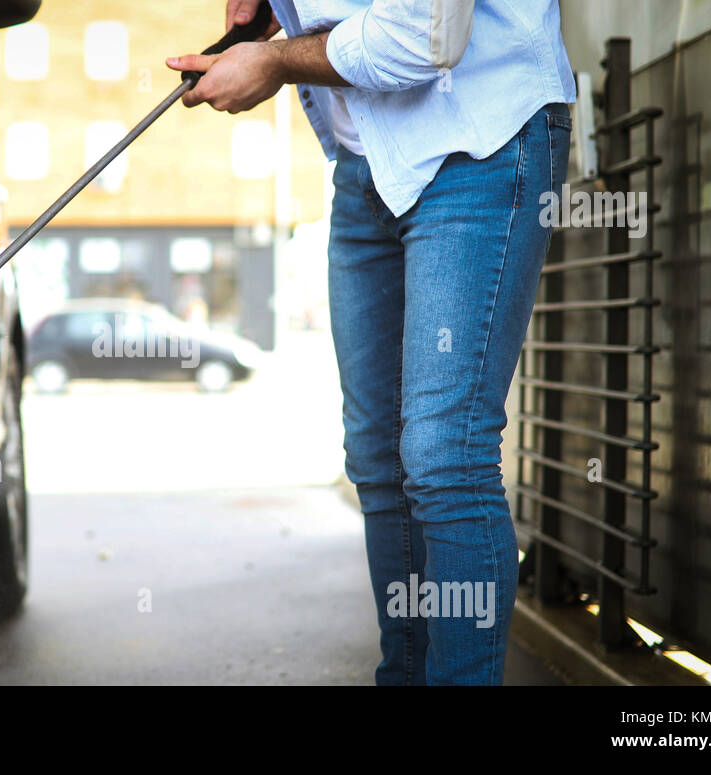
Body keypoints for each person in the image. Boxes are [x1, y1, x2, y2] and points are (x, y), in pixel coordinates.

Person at [167, 0, 575, 685]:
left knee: (445, 454)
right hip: (367, 164)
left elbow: (425, 32)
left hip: (477, 139)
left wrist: (273, 60)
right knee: (379, 461)